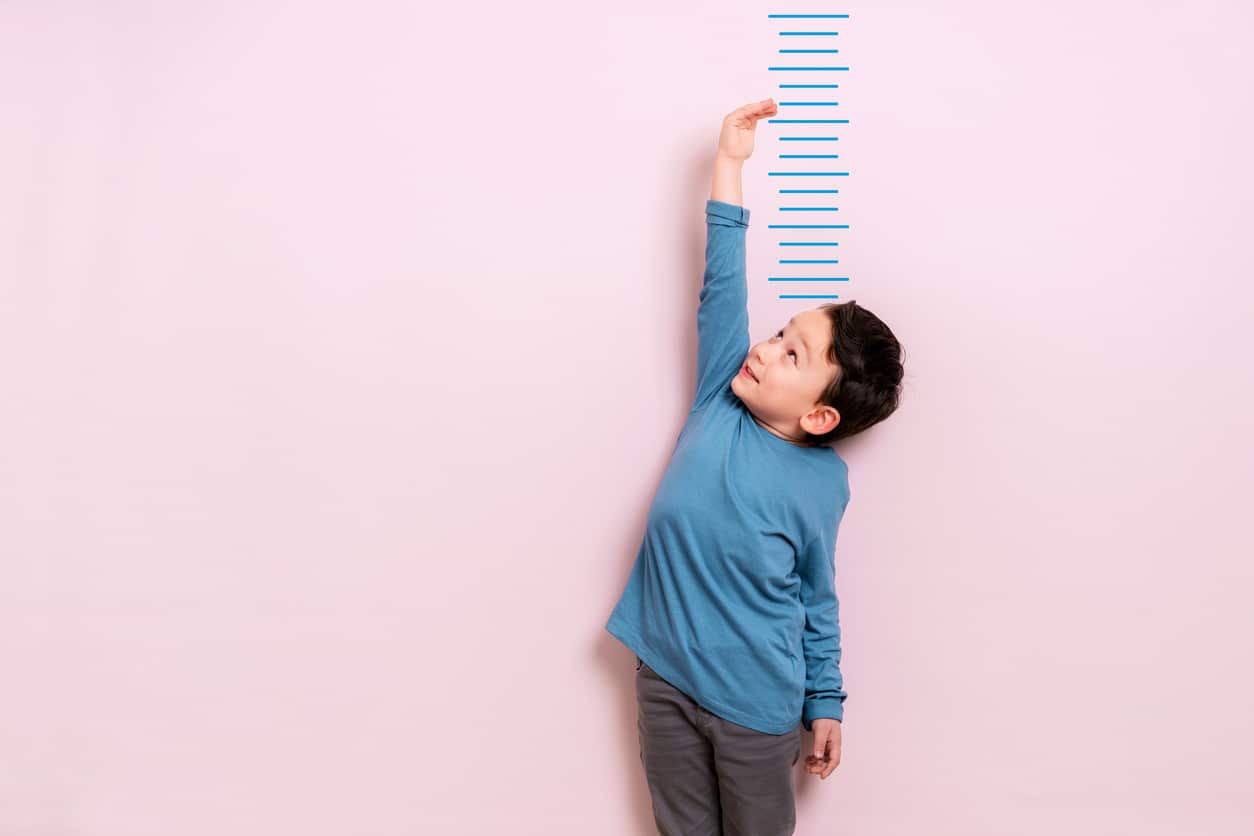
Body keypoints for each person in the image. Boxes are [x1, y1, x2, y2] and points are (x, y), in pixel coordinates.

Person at [604, 97, 905, 835]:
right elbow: (723, 281)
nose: (766, 349)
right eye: (779, 333)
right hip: (664, 679)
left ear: (819, 416)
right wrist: (730, 165)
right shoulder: (719, 397)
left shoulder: (819, 483)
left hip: (756, 707)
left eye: (792, 354)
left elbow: (815, 595)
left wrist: (825, 700)